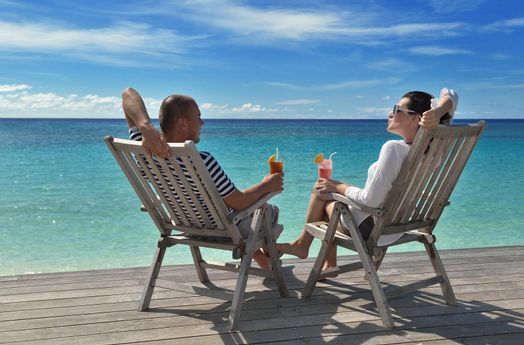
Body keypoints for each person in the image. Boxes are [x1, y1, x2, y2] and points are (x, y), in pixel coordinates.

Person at [277, 88, 458, 270]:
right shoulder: (434, 151)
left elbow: (371, 200)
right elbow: (451, 95)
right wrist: (438, 111)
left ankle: (305, 248)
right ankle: (323, 260)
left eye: (397, 109)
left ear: (415, 118)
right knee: (328, 192)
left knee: (321, 192)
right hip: (400, 225)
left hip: (373, 229)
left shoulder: (393, 149)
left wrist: (339, 186)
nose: (390, 113)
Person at [122, 87, 283, 269]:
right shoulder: (201, 160)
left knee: (230, 207)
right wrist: (267, 185)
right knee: (269, 209)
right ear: (183, 124)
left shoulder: (144, 152)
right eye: (198, 117)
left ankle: (262, 259)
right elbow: (238, 202)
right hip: (223, 230)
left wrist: (145, 127)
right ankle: (270, 255)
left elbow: (127, 94)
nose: (203, 122)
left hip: (185, 224)